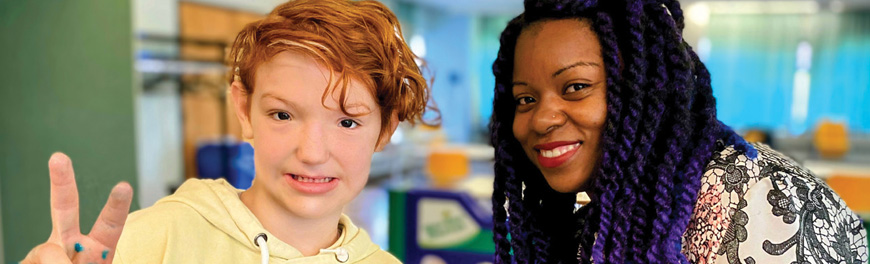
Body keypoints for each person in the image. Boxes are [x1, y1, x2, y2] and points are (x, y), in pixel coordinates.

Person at [22, 0, 433, 263]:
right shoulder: (157, 239)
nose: (312, 152)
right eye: (283, 116)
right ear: (244, 109)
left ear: (384, 131)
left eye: (347, 122)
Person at [488, 0, 868, 263]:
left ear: (646, 90)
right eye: (524, 99)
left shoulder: (766, 202)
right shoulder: (605, 218)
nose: (539, 120)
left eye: (575, 87)